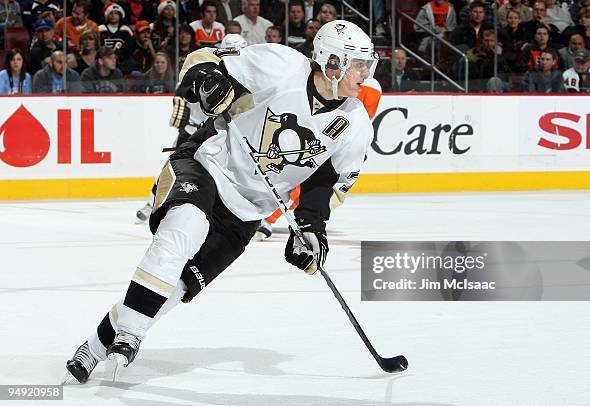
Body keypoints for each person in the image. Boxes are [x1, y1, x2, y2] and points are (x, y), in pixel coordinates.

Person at [64, 19, 378, 384]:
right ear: (331, 62)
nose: (365, 73)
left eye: (367, 65)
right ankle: (132, 333)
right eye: (358, 63)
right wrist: (208, 80)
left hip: (248, 209)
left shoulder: (356, 125)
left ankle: (96, 344)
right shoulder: (282, 65)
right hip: (207, 164)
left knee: (182, 284)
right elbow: (201, 59)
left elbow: (328, 183)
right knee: (185, 227)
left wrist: (311, 229)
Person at [254, 76, 382, 240]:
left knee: (307, 187)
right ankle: (267, 216)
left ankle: (269, 218)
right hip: (311, 135)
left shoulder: (371, 88)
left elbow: (357, 122)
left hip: (328, 141)